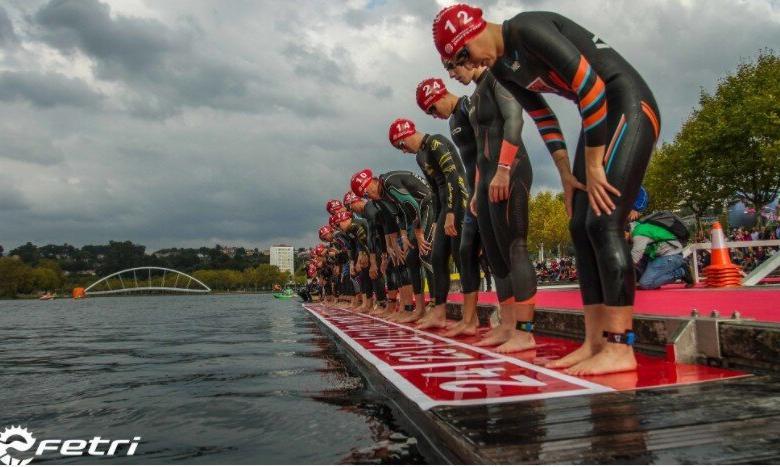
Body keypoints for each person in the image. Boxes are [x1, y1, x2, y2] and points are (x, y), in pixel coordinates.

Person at [433, 4, 661, 375]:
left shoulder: (526, 28)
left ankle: (621, 346)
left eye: (464, 56)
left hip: (629, 104)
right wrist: (566, 176)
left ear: (473, 34)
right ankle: (595, 342)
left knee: (603, 222)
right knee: (578, 227)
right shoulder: (503, 69)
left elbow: (590, 84)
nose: (469, 64)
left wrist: (590, 163)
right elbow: (543, 117)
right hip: (597, 114)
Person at [388, 117, 468, 330]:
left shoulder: (436, 143)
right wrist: (436, 220)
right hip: (443, 208)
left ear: (407, 135)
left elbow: (453, 176)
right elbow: (434, 190)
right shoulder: (420, 156)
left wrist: (451, 211)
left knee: (461, 258)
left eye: (401, 145)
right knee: (437, 256)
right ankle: (438, 312)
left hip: (459, 203)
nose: (403, 151)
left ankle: (470, 318)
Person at [351, 168, 433, 323]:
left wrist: (417, 232)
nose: (369, 197)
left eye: (367, 193)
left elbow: (412, 204)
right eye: (366, 196)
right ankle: (418, 308)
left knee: (424, 254)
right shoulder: (381, 195)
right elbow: (398, 214)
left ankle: (429, 306)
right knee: (409, 259)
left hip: (429, 206)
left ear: (371, 183)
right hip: (414, 217)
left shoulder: (388, 183)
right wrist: (398, 239)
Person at [343, 190, 412, 317]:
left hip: (401, 231)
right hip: (392, 235)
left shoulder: (369, 208)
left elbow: (377, 231)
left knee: (399, 268)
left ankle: (406, 308)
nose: (351, 211)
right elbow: (382, 228)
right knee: (393, 268)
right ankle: (398, 307)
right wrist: (386, 251)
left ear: (355, 201)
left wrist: (398, 240)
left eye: (350, 207)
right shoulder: (369, 210)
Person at [630, 211, 693, 289]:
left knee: (645, 284)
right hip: (660, 256)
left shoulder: (639, 232)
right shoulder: (640, 226)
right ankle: (654, 282)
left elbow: (635, 256)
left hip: (671, 255)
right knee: (647, 280)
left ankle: (681, 271)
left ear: (625, 232)